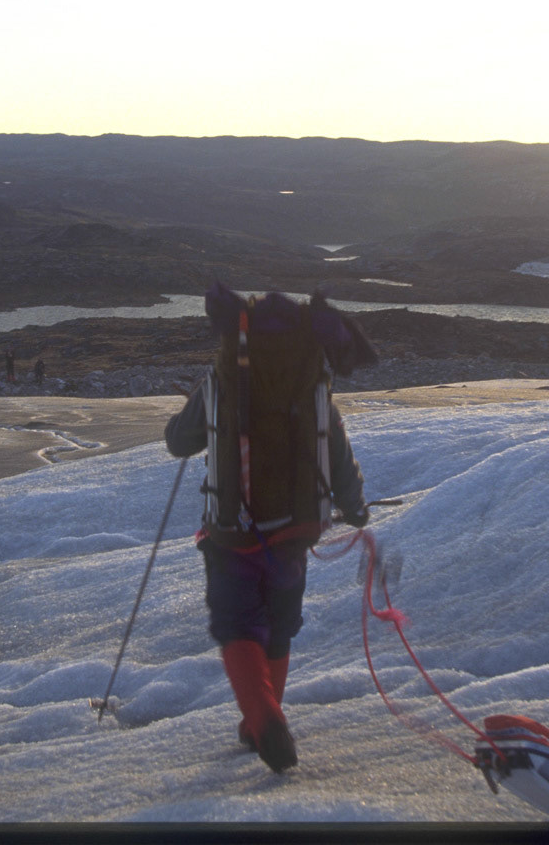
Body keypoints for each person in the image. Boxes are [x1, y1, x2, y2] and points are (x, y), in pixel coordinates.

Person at [163, 284, 374, 774]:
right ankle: (261, 718)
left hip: (232, 533)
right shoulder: (313, 379)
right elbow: (335, 448)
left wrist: (188, 420)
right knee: (278, 629)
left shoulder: (222, 377)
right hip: (296, 532)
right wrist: (354, 506)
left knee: (238, 624)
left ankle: (263, 719)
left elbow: (178, 443)